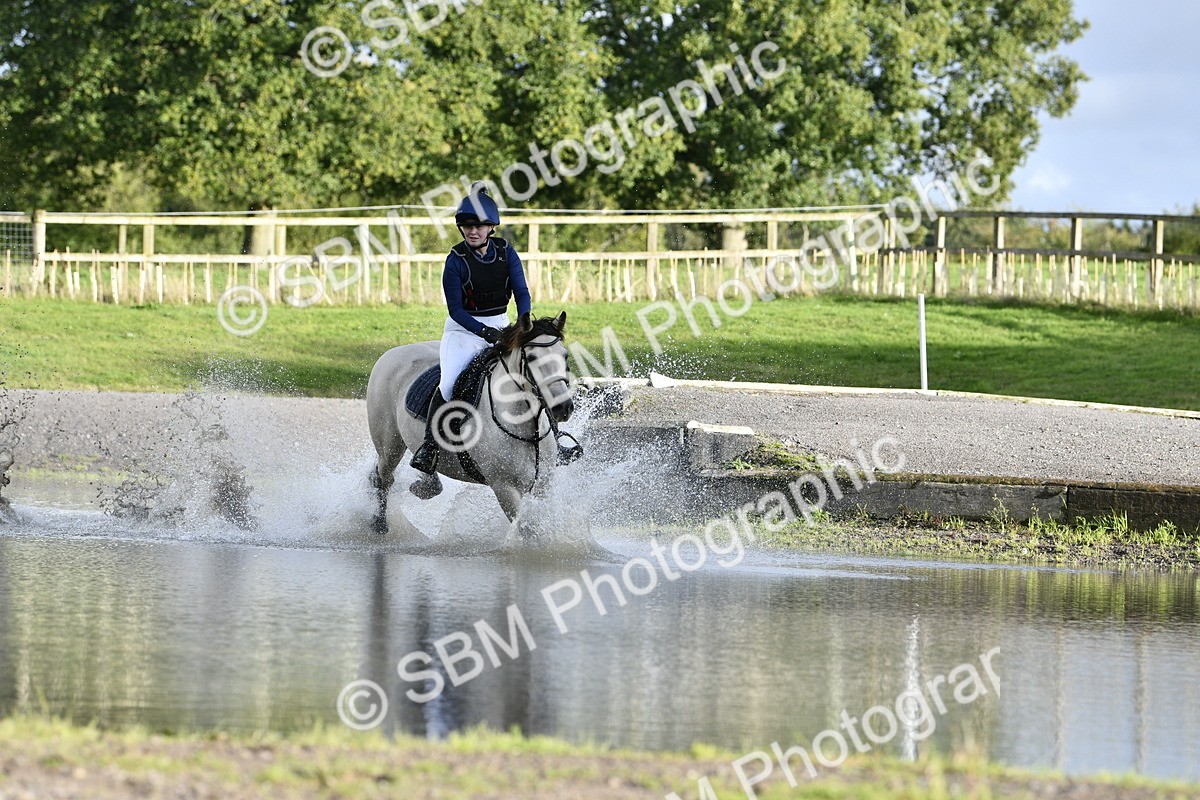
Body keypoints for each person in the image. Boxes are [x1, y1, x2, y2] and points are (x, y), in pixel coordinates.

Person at [410, 182, 532, 474]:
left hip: (503, 323)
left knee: (534, 372)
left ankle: (553, 438)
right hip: (463, 331)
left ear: (491, 227)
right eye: (466, 226)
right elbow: (456, 310)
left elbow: (522, 291)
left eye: (479, 226)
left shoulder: (506, 252)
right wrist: (485, 333)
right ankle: (429, 447)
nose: (472, 231)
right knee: (450, 383)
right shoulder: (455, 261)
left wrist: (524, 320)